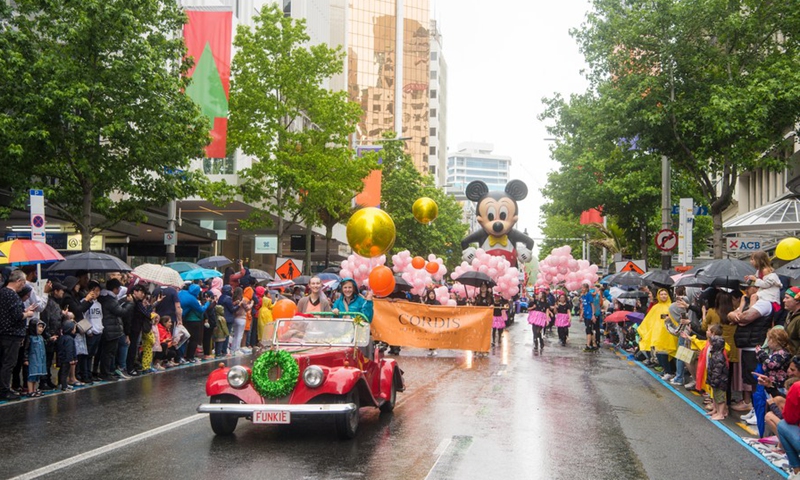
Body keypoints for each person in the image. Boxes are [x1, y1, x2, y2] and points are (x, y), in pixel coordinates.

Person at [0, 270, 36, 401]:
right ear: (19, 281)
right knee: (9, 363)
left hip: (3, 332)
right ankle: (4, 390)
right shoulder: (12, 295)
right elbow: (17, 316)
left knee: (4, 363)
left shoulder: (2, 292)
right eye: (24, 282)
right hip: (12, 335)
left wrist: (23, 310)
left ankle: (4, 388)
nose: (23, 286)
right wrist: (27, 314)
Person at [96, 279, 133, 381]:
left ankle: (106, 372)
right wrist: (130, 303)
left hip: (109, 328)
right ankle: (106, 373)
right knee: (108, 353)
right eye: (119, 288)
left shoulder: (105, 298)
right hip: (110, 329)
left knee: (108, 352)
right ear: (115, 288)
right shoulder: (110, 299)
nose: (119, 290)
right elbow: (121, 311)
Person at [637, 288, 678, 376]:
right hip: (658, 334)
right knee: (659, 352)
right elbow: (649, 321)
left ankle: (670, 371)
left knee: (669, 352)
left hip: (669, 333)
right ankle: (666, 370)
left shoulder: (671, 307)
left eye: (665, 294)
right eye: (662, 294)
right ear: (658, 296)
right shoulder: (655, 307)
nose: (663, 296)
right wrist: (643, 332)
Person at [744, 250, 782, 317]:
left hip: (771, 292)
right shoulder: (759, 271)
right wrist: (749, 280)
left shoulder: (766, 270)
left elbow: (766, 284)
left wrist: (755, 279)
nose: (751, 261)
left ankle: (750, 313)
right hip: (764, 290)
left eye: (752, 259)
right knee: (745, 297)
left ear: (759, 260)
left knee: (753, 296)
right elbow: (756, 282)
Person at [178, 284, 209, 363]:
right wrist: (207, 304)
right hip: (193, 321)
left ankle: (180, 356)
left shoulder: (182, 292)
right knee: (193, 340)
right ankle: (190, 357)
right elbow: (201, 310)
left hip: (182, 319)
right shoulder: (193, 299)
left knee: (182, 339)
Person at [707, 323, 729, 421]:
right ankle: (716, 410)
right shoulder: (714, 354)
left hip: (720, 380)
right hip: (715, 379)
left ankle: (721, 413)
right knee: (716, 396)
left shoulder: (719, 356)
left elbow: (718, 370)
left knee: (720, 397)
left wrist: (714, 379)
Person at [23, 320, 47, 397]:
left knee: (37, 375)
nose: (41, 329)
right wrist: (25, 359)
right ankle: (30, 391)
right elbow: (26, 349)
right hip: (33, 359)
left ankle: (34, 389)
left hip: (40, 359)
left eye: (42, 327)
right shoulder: (30, 338)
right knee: (31, 375)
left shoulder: (41, 337)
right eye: (39, 327)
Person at [579, 283, 598, 352]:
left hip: (590, 315)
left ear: (586, 288)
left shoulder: (589, 295)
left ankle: (588, 345)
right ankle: (594, 344)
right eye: (582, 288)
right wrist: (581, 315)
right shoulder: (583, 296)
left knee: (588, 330)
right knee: (590, 330)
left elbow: (592, 305)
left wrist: (593, 315)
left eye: (583, 288)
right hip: (586, 315)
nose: (582, 289)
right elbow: (583, 307)